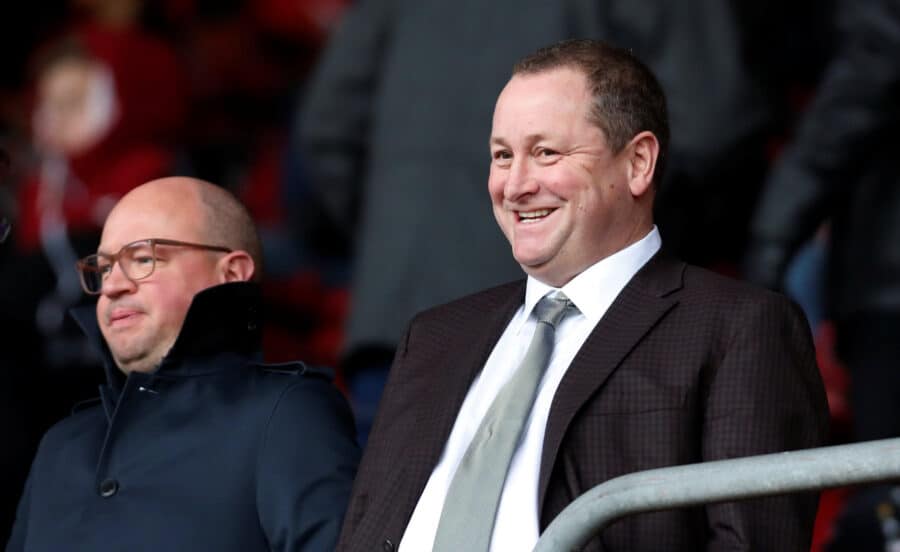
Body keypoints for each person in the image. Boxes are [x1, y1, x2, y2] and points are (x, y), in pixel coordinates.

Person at [336, 39, 829, 552]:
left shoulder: (738, 328)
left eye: (546, 152)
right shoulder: (433, 337)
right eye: (502, 155)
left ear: (638, 163)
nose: (515, 184)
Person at [7, 176, 360, 551]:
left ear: (232, 273)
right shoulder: (61, 445)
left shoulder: (287, 413)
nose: (112, 286)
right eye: (105, 268)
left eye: (143, 258)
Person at [743, 0, 900, 547]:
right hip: (875, 271)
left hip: (887, 280)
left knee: (887, 503)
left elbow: (871, 65)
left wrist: (771, 238)